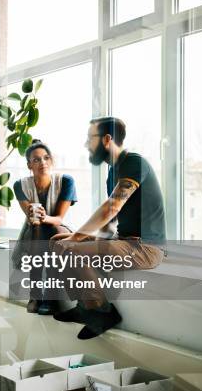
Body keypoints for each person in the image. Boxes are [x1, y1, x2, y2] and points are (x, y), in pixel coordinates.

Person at [50, 117, 166, 340]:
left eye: (89, 138)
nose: (86, 144)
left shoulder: (134, 163)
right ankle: (85, 306)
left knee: (71, 247)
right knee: (57, 241)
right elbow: (110, 223)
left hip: (146, 248)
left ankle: (102, 312)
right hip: (124, 242)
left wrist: (77, 239)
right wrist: (90, 243)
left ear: (106, 139)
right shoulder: (113, 173)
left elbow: (112, 208)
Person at [12, 139, 77, 315]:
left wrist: (44, 217)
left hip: (59, 228)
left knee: (51, 232)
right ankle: (40, 296)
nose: (42, 163)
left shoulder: (66, 181)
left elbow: (58, 219)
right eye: (36, 160)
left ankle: (45, 296)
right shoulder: (20, 185)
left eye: (46, 158)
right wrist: (36, 219)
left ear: (52, 161)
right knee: (38, 230)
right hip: (34, 230)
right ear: (29, 165)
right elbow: (31, 217)